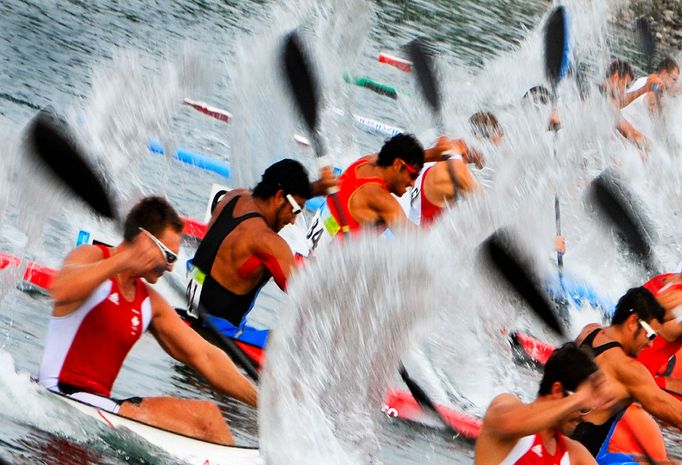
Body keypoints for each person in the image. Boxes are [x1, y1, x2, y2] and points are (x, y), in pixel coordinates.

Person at [38, 196, 257, 445]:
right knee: (204, 417)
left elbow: (205, 357)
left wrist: (262, 401)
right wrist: (124, 259)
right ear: (144, 241)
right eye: (169, 257)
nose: (171, 268)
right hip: (58, 395)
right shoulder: (91, 256)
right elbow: (61, 289)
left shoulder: (149, 302)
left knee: (209, 416)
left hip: (97, 411)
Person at [186, 159, 334, 327]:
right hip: (221, 334)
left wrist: (316, 188)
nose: (293, 220)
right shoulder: (268, 243)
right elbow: (310, 299)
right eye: (296, 210)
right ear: (278, 196)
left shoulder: (233, 197)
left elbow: (285, 194)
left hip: (192, 309)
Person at [571, 287, 682, 463]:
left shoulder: (589, 331)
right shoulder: (629, 370)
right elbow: (678, 417)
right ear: (632, 322)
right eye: (651, 335)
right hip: (577, 457)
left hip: (558, 441)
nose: (650, 344)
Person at [475, 342, 610, 465]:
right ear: (557, 391)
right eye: (582, 408)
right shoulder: (505, 407)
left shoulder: (575, 454)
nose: (585, 417)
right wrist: (579, 398)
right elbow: (509, 423)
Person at [404, 135, 480, 227]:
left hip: (407, 221)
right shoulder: (458, 176)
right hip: (418, 235)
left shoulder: (441, 143)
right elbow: (485, 203)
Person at [600, 59, 661, 148]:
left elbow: (620, 102)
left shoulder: (597, 93)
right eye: (625, 86)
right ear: (616, 77)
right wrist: (658, 150)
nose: (625, 91)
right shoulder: (607, 104)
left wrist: (645, 88)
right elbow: (631, 134)